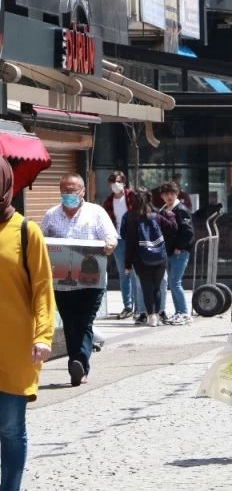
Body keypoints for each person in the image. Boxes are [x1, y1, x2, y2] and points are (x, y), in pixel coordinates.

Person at [0, 157, 55, 491]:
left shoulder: (25, 231)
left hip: (16, 348)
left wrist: (44, 336)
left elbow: (43, 290)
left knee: (9, 429)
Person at [41, 173, 117, 387]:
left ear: (82, 191)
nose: (69, 194)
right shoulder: (51, 215)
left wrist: (110, 245)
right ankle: (77, 361)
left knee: (84, 321)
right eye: (65, 190)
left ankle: (78, 363)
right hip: (62, 282)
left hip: (91, 281)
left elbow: (111, 236)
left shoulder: (96, 213)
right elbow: (39, 241)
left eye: (73, 190)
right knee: (70, 323)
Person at [123, 188, 177, 328]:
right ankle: (158, 315)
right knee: (157, 288)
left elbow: (128, 241)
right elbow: (173, 228)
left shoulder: (130, 217)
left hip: (140, 259)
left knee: (146, 287)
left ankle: (151, 316)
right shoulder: (158, 215)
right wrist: (170, 215)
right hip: (159, 257)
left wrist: (127, 264)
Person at [102, 170, 140, 319]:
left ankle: (139, 307)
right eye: (112, 182)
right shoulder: (108, 202)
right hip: (117, 239)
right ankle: (128, 306)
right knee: (123, 273)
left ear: (124, 182)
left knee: (135, 273)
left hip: (134, 239)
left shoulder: (132, 197)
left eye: (118, 181)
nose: (115, 185)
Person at [159, 181, 195, 326]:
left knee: (175, 282)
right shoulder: (163, 210)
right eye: (166, 194)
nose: (169, 196)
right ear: (162, 196)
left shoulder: (180, 209)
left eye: (172, 193)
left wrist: (180, 247)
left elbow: (188, 232)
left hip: (179, 252)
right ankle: (179, 312)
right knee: (173, 283)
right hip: (169, 251)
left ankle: (184, 313)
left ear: (177, 194)